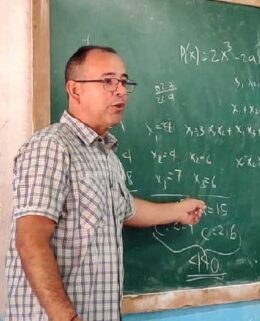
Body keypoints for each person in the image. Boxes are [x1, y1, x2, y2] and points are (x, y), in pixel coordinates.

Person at [5, 45, 206, 321]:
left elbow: (124, 209)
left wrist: (177, 210)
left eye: (123, 81)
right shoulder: (51, 147)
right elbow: (30, 240)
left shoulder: (106, 156)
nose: (120, 90)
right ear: (75, 90)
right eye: (108, 81)